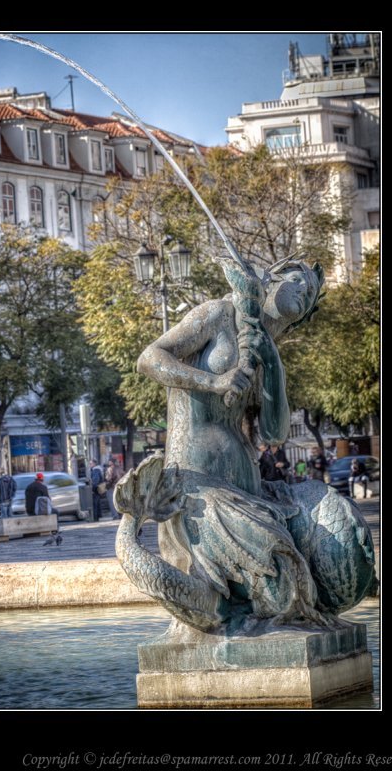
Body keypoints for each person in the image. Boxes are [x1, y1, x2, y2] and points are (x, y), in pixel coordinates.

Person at [136, 254, 327, 624]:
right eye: (296, 278)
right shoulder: (218, 315)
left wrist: (272, 367)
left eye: (311, 291)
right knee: (279, 566)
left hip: (248, 487)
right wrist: (213, 381)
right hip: (197, 487)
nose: (305, 289)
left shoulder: (267, 348)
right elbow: (149, 358)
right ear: (268, 282)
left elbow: (274, 433)